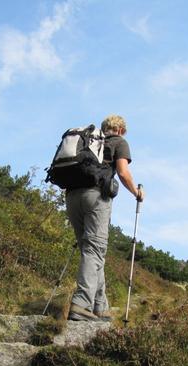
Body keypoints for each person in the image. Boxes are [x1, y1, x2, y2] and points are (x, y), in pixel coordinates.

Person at [66, 114, 144, 321]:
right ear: (120, 129)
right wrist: (136, 192)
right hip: (96, 197)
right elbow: (123, 172)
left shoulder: (89, 141)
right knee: (95, 250)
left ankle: (100, 307)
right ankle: (81, 304)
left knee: (90, 251)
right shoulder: (119, 141)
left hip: (72, 196)